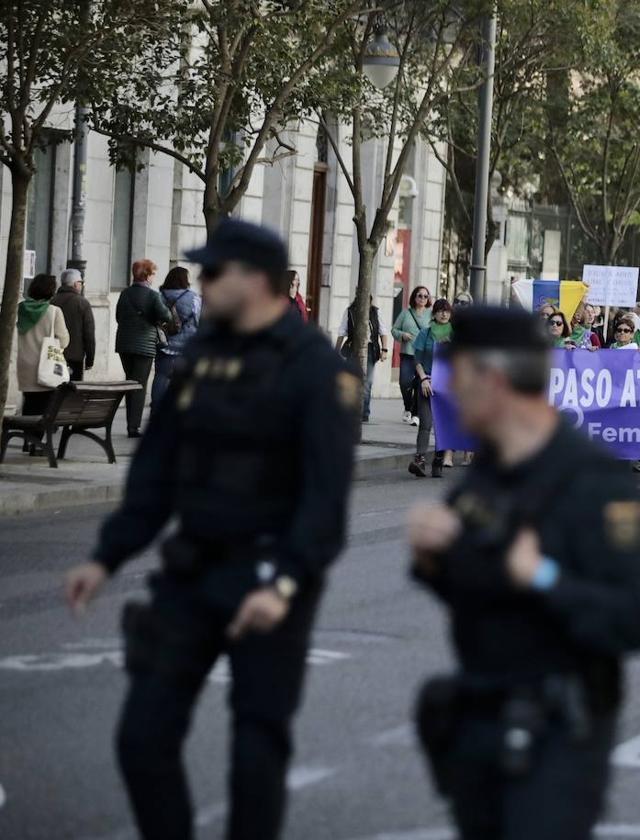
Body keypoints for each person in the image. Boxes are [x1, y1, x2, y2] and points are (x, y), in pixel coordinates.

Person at [62, 218, 358, 840]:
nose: (200, 281)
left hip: (271, 582)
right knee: (142, 737)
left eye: (213, 272)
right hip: (192, 575)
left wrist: (280, 586)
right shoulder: (204, 353)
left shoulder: (314, 369)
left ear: (254, 281)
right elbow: (156, 471)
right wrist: (106, 556)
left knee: (256, 750)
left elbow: (325, 505)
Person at [407, 307, 640, 840]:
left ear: (492, 380)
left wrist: (543, 576)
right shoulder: (489, 472)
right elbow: (477, 580)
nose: (450, 391)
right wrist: (434, 560)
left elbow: (633, 618)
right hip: (481, 711)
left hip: (558, 727)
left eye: (459, 376)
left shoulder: (594, 480)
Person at [115, 259, 171, 437]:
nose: (154, 277)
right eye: (153, 273)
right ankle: (133, 427)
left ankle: (131, 423)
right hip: (144, 346)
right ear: (147, 275)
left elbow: (118, 316)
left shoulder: (125, 293)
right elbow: (166, 316)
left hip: (124, 344)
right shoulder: (153, 295)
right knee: (139, 385)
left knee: (130, 381)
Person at [407, 298, 454, 478]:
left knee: (442, 425)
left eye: (447, 311)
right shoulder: (425, 334)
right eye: (440, 310)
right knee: (425, 424)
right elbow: (416, 359)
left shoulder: (455, 336)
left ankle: (438, 459)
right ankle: (419, 460)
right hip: (427, 382)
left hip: (448, 386)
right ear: (433, 313)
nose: (443, 314)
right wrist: (423, 379)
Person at [16, 273, 71, 419]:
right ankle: (35, 440)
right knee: (44, 406)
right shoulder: (53, 312)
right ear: (51, 291)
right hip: (46, 365)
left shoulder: (20, 309)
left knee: (29, 402)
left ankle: (29, 439)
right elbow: (64, 340)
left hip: (23, 364)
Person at [152, 267, 202, 409]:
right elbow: (199, 320)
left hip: (164, 345)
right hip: (187, 347)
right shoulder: (193, 297)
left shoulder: (159, 296)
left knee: (161, 377)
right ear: (185, 280)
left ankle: (156, 410)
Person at [337, 295, 387, 422]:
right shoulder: (350, 311)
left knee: (367, 381)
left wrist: (384, 350)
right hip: (353, 347)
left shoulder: (375, 312)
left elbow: (383, 332)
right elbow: (342, 332)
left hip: (370, 348)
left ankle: (364, 413)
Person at [394, 286, 433, 428]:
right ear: (414, 297)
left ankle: (416, 415)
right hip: (407, 352)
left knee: (419, 384)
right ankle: (408, 406)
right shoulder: (406, 313)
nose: (422, 299)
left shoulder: (431, 315)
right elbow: (394, 329)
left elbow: (437, 330)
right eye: (420, 295)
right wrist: (401, 335)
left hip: (423, 356)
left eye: (425, 296)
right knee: (404, 382)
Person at [50, 268, 95, 381]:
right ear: (75, 284)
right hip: (75, 357)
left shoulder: (52, 301)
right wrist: (90, 359)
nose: (82, 286)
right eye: (81, 283)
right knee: (73, 391)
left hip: (53, 355)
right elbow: (89, 334)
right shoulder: (82, 303)